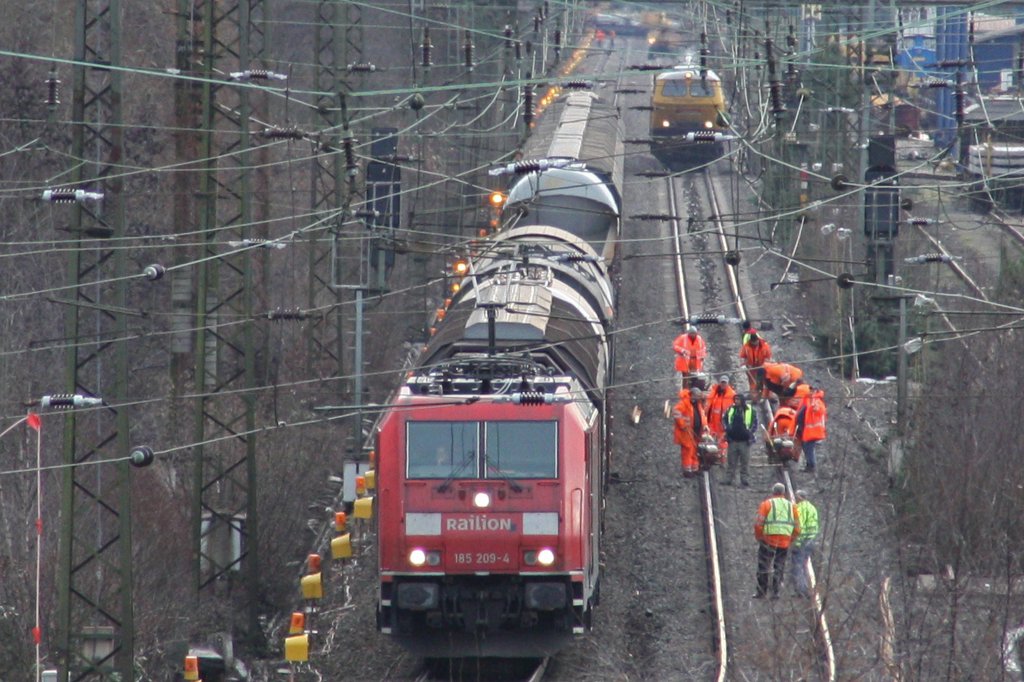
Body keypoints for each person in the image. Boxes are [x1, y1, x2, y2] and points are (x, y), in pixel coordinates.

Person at [754, 482, 800, 599]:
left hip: (768, 540)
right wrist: (791, 539)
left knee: (764, 565)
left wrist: (760, 537)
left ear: (773, 492)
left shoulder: (766, 504)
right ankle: (776, 592)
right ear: (783, 493)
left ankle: (761, 591)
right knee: (779, 566)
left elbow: (759, 524)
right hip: (784, 541)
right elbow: (797, 528)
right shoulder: (792, 507)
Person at [723, 393, 757, 486]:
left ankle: (744, 479)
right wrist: (727, 429)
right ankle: (729, 478)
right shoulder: (730, 409)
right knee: (731, 462)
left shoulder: (750, 410)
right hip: (732, 440)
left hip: (745, 441)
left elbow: (755, 423)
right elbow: (724, 419)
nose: (736, 401)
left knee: (744, 462)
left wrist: (750, 432)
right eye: (735, 399)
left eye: (738, 399)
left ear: (742, 400)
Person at [790, 489, 819, 598]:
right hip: (811, 540)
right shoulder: (812, 508)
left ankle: (802, 590)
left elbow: (799, 527)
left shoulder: (800, 508)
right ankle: (807, 588)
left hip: (801, 541)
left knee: (798, 566)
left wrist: (795, 542)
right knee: (804, 564)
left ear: (800, 498)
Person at [795, 387, 827, 473]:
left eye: (812, 391)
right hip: (809, 430)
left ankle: (811, 466)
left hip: (813, 431)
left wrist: (814, 405)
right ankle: (809, 465)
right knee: (807, 447)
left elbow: (818, 410)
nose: (810, 392)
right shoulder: (810, 400)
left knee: (808, 447)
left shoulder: (817, 401)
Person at [672, 388, 699, 478]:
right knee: (687, 451)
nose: (697, 398)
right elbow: (676, 412)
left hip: (694, 431)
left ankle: (694, 468)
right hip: (686, 432)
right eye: (696, 396)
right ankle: (687, 471)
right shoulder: (684, 403)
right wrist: (682, 425)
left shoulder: (695, 404)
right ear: (691, 395)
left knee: (694, 450)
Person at [738, 331, 772, 398]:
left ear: (757, 340)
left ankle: (765, 395)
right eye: (752, 343)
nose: (754, 344)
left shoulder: (765, 346)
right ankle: (754, 396)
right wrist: (743, 365)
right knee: (752, 382)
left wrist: (765, 365)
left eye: (755, 343)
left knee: (764, 381)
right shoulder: (746, 346)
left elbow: (768, 357)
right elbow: (742, 356)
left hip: (762, 367)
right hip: (751, 368)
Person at [706, 375, 736, 446]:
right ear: (719, 383)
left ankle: (723, 454)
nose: (723, 384)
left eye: (725, 383)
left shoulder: (732, 395)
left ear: (727, 384)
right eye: (722, 382)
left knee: (723, 440)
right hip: (713, 421)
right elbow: (708, 404)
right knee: (712, 437)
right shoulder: (714, 392)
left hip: (724, 422)